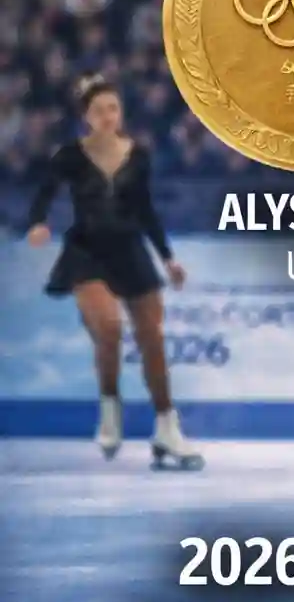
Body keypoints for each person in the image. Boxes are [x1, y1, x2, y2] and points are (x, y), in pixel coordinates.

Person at [25, 75, 204, 471]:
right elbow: (44, 195)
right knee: (108, 327)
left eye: (113, 108)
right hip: (86, 252)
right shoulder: (70, 156)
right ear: (85, 117)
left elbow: (144, 209)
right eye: (98, 110)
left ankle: (167, 428)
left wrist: (168, 258)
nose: (107, 116)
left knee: (152, 339)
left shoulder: (138, 155)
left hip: (130, 250)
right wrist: (37, 222)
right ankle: (110, 407)